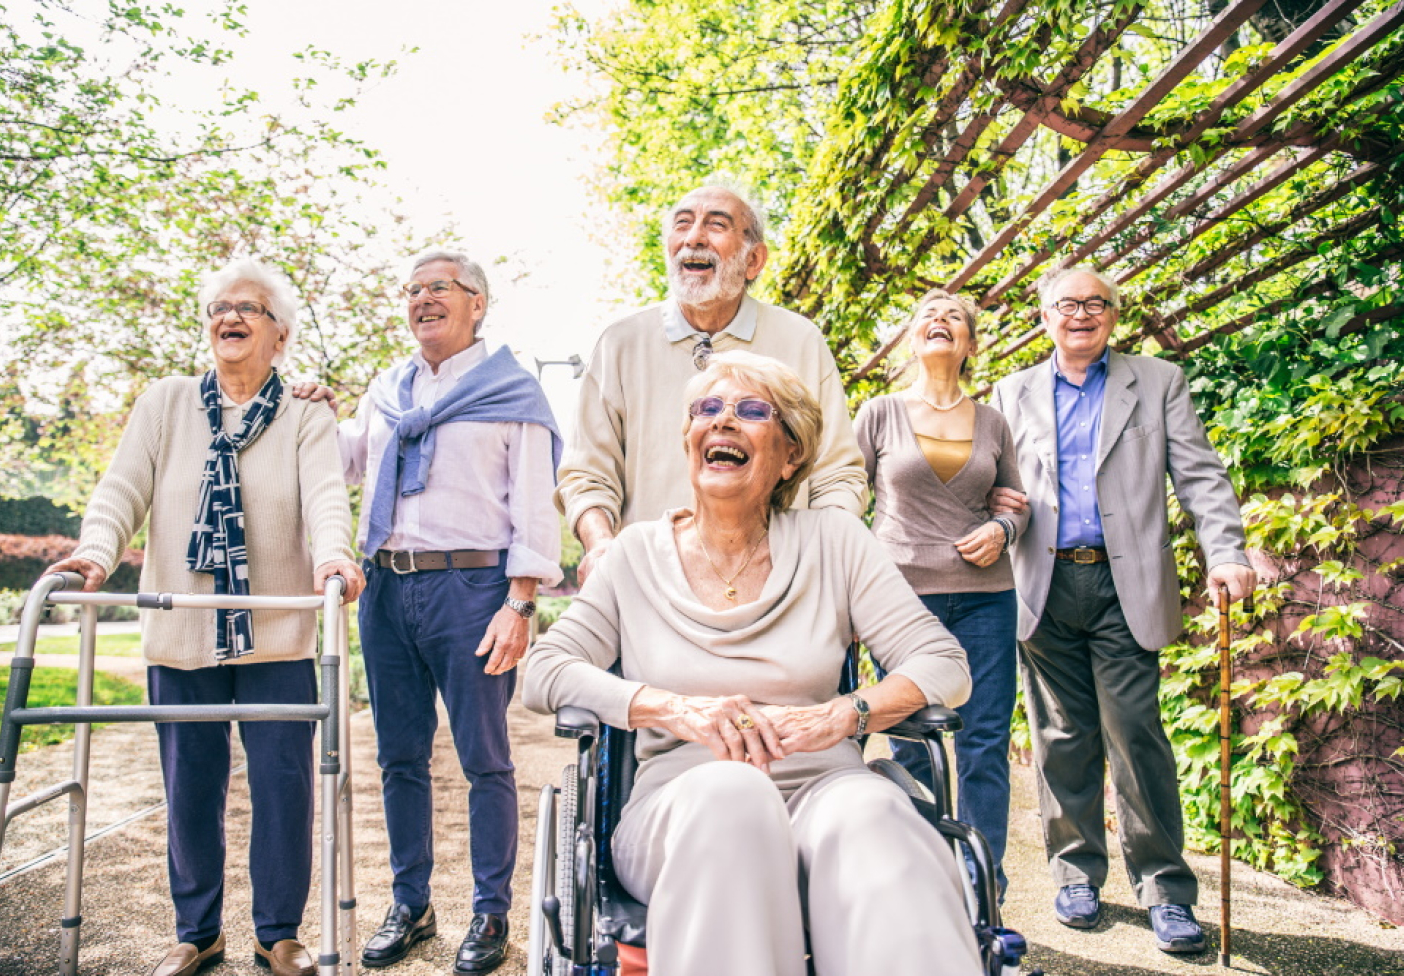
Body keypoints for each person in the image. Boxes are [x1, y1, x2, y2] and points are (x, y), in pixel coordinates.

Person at [526, 351, 982, 976]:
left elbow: (942, 662)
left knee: (873, 813)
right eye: (707, 410)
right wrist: (675, 709)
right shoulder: (635, 555)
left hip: (825, 786)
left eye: (750, 412)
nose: (723, 423)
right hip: (681, 803)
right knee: (734, 796)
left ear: (790, 454)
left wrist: (845, 716)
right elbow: (546, 668)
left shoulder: (836, 543)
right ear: (688, 439)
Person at [46, 258, 365, 976]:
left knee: (284, 791)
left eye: (250, 307)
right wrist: (95, 555)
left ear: (279, 336)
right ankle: (197, 932)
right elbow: (122, 487)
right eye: (221, 306)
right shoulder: (165, 403)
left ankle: (277, 933)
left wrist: (333, 559)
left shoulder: (306, 413)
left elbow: (324, 497)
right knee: (190, 790)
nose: (232, 316)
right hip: (183, 634)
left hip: (275, 634)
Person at [989, 267, 1256, 954]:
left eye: (1095, 304)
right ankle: (1075, 873)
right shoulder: (1012, 391)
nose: (1081, 314)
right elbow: (996, 488)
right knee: (1060, 738)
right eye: (1067, 304)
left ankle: (1165, 889)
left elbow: (1199, 472)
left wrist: (1225, 550)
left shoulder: (1156, 380)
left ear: (1113, 314)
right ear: (1044, 315)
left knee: (1136, 735)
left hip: (1123, 583)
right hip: (1043, 583)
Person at [335, 249, 562, 975]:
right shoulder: (386, 390)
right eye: (412, 289)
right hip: (387, 589)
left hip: (473, 591)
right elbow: (343, 460)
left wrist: (520, 603)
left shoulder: (512, 391)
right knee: (399, 756)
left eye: (440, 287)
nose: (422, 299)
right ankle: (412, 903)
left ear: (477, 304)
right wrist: (304, 405)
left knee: (483, 759)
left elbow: (534, 505)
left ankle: (490, 912)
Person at [555, 183, 867, 584]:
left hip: (775, 586)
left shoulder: (801, 340)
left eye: (716, 225)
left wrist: (827, 559)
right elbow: (587, 475)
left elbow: (836, 474)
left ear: (753, 260)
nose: (693, 237)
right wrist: (600, 545)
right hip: (648, 585)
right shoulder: (620, 343)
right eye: (682, 224)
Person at [853, 287, 1027, 896]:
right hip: (901, 600)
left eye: (954, 316)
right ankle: (921, 874)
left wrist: (1003, 530)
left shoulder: (994, 422)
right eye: (927, 313)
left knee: (984, 739)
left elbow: (1017, 504)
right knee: (912, 737)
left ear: (970, 344)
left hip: (986, 598)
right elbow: (846, 500)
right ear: (910, 339)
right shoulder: (878, 413)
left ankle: (982, 882)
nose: (940, 320)